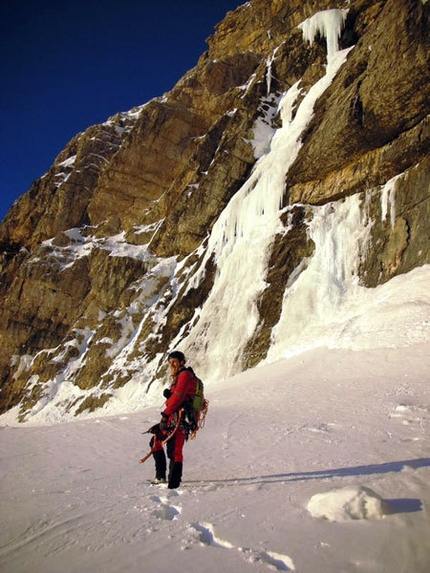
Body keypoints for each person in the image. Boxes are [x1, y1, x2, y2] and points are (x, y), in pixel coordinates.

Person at [150, 350, 198, 489]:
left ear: (181, 362)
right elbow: (178, 395)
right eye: (170, 362)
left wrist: (165, 414)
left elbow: (178, 397)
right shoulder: (182, 376)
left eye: (174, 362)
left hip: (180, 419)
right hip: (175, 417)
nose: (171, 365)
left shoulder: (184, 375)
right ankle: (164, 477)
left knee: (174, 449)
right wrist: (169, 395)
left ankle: (173, 483)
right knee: (157, 440)